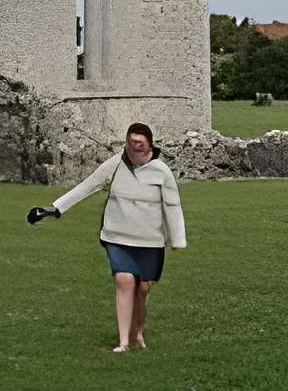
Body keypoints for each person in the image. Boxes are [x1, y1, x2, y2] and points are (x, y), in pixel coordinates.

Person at [33, 122, 187, 353]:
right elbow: (89, 185)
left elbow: (172, 205)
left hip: (150, 240)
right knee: (124, 281)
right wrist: (56, 208)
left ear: (149, 146)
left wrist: (177, 239)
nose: (135, 147)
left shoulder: (161, 171)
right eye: (131, 143)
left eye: (140, 144)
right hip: (117, 235)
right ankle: (124, 341)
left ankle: (137, 332)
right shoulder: (115, 164)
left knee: (142, 289)